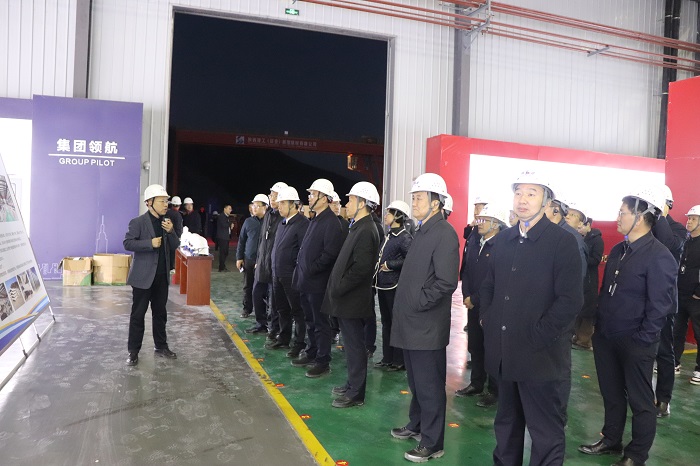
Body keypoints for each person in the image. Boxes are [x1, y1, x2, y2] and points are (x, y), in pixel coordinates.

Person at [480, 170, 583, 465]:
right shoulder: (505, 240)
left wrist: (537, 335)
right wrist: (488, 319)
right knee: (506, 426)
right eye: (518, 193)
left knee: (545, 433)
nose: (522, 200)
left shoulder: (562, 242)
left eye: (531, 193)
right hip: (506, 353)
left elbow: (570, 301)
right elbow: (489, 285)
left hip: (541, 358)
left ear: (546, 201)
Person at [579, 188, 677, 466]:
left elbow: (660, 306)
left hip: (636, 341)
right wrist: (598, 327)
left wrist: (643, 339)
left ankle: (636, 455)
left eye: (622, 213)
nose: (617, 217)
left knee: (641, 401)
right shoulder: (620, 250)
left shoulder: (660, 256)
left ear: (641, 217)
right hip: (607, 335)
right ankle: (611, 439)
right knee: (611, 394)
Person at [390, 173, 459, 463]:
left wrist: (418, 302)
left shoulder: (444, 233)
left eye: (419, 197)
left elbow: (446, 282)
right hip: (411, 323)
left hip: (426, 325)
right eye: (414, 197)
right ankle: (416, 424)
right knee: (417, 382)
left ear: (436, 203)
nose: (414, 202)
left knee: (429, 387)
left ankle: (432, 443)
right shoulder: (422, 230)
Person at [324, 182, 381, 408]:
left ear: (362, 203)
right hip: (347, 299)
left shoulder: (367, 230)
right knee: (350, 346)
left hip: (352, 300)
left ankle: (356, 393)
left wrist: (339, 287)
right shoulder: (358, 226)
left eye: (351, 200)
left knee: (355, 347)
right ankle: (351, 384)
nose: (347, 204)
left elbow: (361, 269)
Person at [455, 205, 510, 409]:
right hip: (473, 303)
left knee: (492, 348)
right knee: (476, 345)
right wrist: (466, 295)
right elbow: (467, 270)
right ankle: (476, 383)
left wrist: (475, 298)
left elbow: (495, 281)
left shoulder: (502, 246)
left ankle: (494, 390)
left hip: (490, 306)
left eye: (484, 220)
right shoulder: (475, 240)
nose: (479, 223)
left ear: (496, 224)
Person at [292, 178, 344, 378]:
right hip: (306, 281)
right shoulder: (315, 219)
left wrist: (312, 269)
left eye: (313, 194)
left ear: (324, 198)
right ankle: (311, 351)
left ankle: (323, 360)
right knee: (310, 320)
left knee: (321, 323)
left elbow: (330, 254)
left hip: (318, 283)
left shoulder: (331, 222)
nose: (310, 197)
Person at [123, 184, 180, 366]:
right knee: (138, 315)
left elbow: (175, 245)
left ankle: (161, 346)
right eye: (162, 201)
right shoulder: (138, 222)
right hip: (143, 277)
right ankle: (133, 351)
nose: (166, 205)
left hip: (161, 277)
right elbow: (128, 243)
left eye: (166, 201)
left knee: (160, 313)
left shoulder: (167, 223)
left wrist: (171, 231)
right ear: (149, 203)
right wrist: (150, 243)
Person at [651, 184, 686, 418]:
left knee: (664, 351)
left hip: (663, 300)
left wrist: (660, 215)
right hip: (641, 298)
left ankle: (663, 399)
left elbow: (669, 245)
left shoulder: (677, 229)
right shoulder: (646, 226)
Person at [268, 186, 309, 358]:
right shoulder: (282, 223)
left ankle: (300, 343)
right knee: (282, 308)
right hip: (278, 274)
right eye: (279, 203)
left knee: (297, 311)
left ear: (294, 204)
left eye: (283, 203)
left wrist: (296, 272)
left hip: (292, 276)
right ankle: (284, 338)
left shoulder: (303, 224)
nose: (279, 206)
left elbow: (303, 252)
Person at [373, 200, 412, 371]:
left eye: (389, 213)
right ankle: (387, 357)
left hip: (394, 286)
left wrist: (390, 264)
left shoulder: (405, 237)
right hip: (383, 284)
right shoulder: (389, 234)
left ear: (398, 216)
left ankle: (398, 360)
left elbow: (410, 259)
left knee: (396, 323)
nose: (385, 215)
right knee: (386, 322)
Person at [246, 182, 287, 336]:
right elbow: (263, 241)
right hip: (262, 263)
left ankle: (274, 328)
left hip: (275, 265)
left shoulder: (283, 218)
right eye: (271, 195)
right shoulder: (269, 215)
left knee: (274, 300)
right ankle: (261, 323)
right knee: (256, 293)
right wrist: (259, 260)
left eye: (274, 195)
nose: (271, 198)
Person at [567, 205, 604, 351]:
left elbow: (596, 259)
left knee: (587, 312)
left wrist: (581, 258)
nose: (580, 228)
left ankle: (584, 340)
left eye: (582, 226)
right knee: (579, 310)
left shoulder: (597, 240)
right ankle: (576, 337)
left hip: (589, 279)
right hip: (580, 279)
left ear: (588, 225)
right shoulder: (580, 238)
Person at [673, 205, 700, 386]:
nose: (689, 222)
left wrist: (698, 292)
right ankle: (674, 362)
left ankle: (699, 369)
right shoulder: (686, 241)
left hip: (696, 298)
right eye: (688, 218)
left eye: (693, 219)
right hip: (680, 294)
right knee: (676, 330)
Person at [236, 195, 266, 318]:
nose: (254, 208)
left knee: (263, 287)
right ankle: (247, 308)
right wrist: (239, 257)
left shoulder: (269, 222)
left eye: (257, 206)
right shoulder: (248, 222)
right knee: (248, 285)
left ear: (265, 207)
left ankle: (263, 312)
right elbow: (242, 240)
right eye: (253, 205)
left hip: (263, 260)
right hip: (249, 259)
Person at [165, 196, 184, 271]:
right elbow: (179, 228)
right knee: (173, 255)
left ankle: (168, 267)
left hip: (166, 237)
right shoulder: (178, 215)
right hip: (175, 237)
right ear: (179, 205)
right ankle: (171, 268)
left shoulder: (166, 213)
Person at [215, 205, 232, 272]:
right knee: (223, 252)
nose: (230, 210)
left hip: (226, 237)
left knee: (225, 252)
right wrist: (230, 225)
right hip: (222, 237)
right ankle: (221, 267)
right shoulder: (222, 216)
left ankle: (223, 265)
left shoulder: (226, 217)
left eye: (231, 209)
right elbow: (224, 225)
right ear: (225, 209)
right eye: (229, 209)